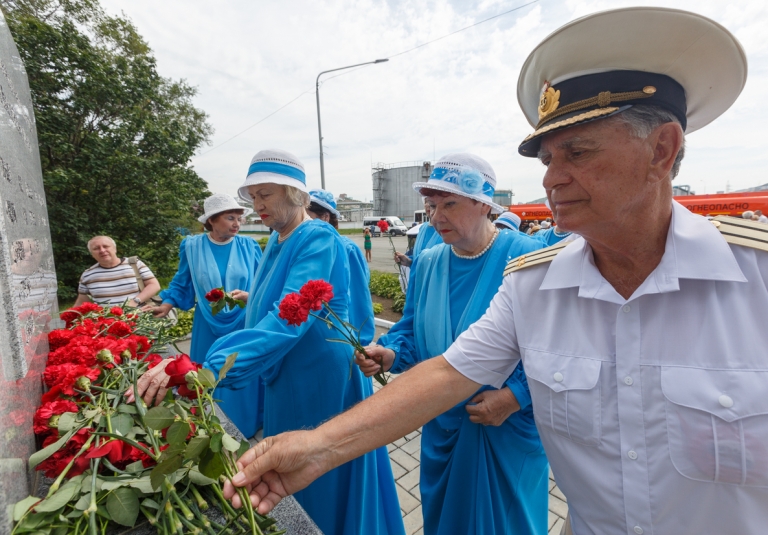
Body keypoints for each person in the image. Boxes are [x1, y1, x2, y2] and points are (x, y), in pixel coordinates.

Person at [218, 8, 768, 535]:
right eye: (548, 159)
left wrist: (512, 399)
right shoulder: (537, 284)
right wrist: (317, 449)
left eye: (579, 153)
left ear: (662, 149)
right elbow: (448, 372)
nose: (551, 180)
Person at [129, 149, 404, 535]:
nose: (256, 205)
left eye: (266, 195)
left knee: (314, 467)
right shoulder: (277, 237)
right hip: (284, 368)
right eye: (253, 196)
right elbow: (266, 307)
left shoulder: (317, 239)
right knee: (285, 458)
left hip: (315, 374)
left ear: (295, 195)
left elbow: (289, 317)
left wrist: (210, 365)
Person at [357, 153, 550, 534]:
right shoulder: (428, 262)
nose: (435, 217)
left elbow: (554, 347)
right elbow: (411, 330)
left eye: (449, 204)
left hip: (503, 428)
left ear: (483, 205)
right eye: (431, 206)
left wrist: (514, 397)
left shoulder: (526, 258)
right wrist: (390, 353)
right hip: (441, 422)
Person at [143, 193, 263, 437]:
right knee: (207, 375)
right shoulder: (192, 246)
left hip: (242, 322)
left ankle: (246, 425)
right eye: (230, 218)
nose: (237, 224)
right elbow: (182, 282)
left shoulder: (248, 246)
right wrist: (167, 304)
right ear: (212, 220)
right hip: (206, 325)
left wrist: (250, 296)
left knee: (241, 369)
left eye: (239, 218)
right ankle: (211, 427)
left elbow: (264, 282)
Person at [307, 188, 375, 345]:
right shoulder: (309, 247)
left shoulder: (345, 248)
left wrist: (358, 338)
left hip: (341, 333)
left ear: (325, 217)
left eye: (307, 217)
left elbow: (359, 295)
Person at [74, 236, 161, 307]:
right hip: (106, 323)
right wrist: (69, 317)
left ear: (115, 249)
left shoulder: (134, 264)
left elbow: (154, 285)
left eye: (105, 246)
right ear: (92, 254)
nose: (102, 250)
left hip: (138, 318)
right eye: (96, 248)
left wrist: (135, 301)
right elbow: (82, 302)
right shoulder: (87, 274)